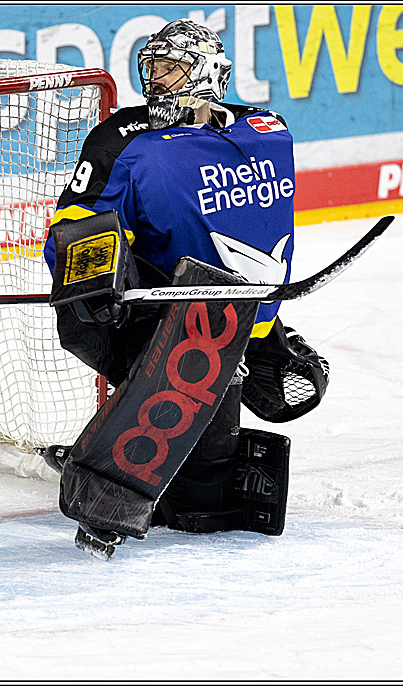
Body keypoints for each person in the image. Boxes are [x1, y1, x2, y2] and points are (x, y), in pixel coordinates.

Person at [43, 18, 329, 558]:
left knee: (296, 389)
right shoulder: (122, 140)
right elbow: (76, 224)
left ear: (207, 73)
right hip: (159, 316)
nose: (155, 84)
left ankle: (249, 355)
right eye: (150, 70)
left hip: (244, 313)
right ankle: (114, 480)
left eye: (170, 70)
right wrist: (99, 283)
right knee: (201, 500)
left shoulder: (264, 129)